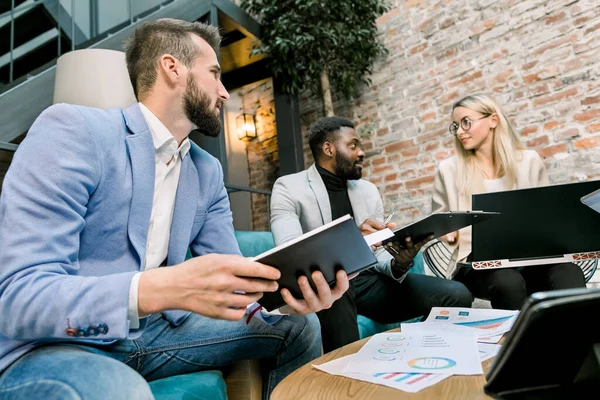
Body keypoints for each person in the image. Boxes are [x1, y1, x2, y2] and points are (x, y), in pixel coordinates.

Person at [0, 19, 350, 400]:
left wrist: (284, 300)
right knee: (121, 390)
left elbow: (236, 284)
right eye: (215, 73)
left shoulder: (206, 170)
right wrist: (164, 287)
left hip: (158, 332)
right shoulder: (73, 129)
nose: (224, 93)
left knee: (300, 327)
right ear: (172, 68)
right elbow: (19, 297)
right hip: (59, 344)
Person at [270, 116, 473, 353]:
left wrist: (400, 261)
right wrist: (349, 241)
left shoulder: (367, 191)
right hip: (325, 286)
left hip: (368, 284)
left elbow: (380, 257)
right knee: (338, 284)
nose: (362, 152)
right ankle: (346, 382)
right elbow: (289, 252)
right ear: (329, 148)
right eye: (353, 145)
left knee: (457, 295)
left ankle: (430, 359)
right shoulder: (288, 188)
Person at [432, 93, 586, 310]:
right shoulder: (448, 169)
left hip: (530, 259)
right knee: (508, 282)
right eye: (455, 126)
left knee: (569, 272)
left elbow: (547, 216)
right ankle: (520, 343)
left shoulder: (529, 161)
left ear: (493, 120)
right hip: (477, 265)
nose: (459, 132)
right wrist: (448, 232)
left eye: (466, 122)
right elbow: (440, 221)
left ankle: (576, 342)